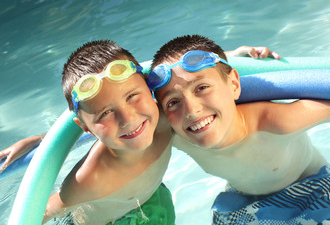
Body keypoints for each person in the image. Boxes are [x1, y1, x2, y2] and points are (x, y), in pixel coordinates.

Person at [0, 39, 278, 224]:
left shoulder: (167, 117)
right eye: (106, 113)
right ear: (85, 126)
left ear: (150, 88)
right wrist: (46, 147)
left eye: (133, 96)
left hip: (155, 201)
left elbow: (186, 75)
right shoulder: (92, 179)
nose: (128, 118)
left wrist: (233, 57)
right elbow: (37, 212)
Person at [147, 34, 330, 224]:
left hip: (311, 191)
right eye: (173, 102)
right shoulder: (176, 133)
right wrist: (233, 55)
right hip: (243, 200)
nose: (191, 111)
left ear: (234, 85)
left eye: (201, 88)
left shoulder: (275, 123)